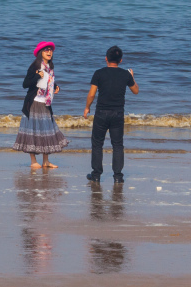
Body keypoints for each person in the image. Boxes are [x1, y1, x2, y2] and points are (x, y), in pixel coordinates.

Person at [83, 45, 139, 183]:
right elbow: (136, 91)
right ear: (121, 60)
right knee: (118, 145)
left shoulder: (99, 73)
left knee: (97, 144)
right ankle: (118, 177)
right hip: (118, 113)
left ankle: (96, 175)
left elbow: (91, 94)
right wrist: (132, 77)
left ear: (106, 58)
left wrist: (87, 108)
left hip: (101, 112)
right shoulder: (125, 75)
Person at [13, 41, 70, 169]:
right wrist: (37, 76)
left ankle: (46, 161)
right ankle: (33, 161)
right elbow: (25, 84)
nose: (49, 52)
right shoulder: (35, 66)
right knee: (32, 131)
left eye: (51, 50)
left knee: (46, 131)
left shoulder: (50, 66)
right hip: (34, 103)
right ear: (40, 53)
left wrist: (56, 86)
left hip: (46, 103)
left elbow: (48, 81)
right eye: (46, 50)